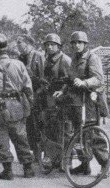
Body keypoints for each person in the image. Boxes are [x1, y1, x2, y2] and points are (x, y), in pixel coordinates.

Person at [0, 33, 35, 180]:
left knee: (0, 137)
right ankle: (28, 168)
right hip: (16, 104)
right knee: (20, 136)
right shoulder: (19, 64)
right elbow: (28, 87)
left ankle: (8, 170)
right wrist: (30, 103)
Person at [67, 31, 109, 176]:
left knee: (93, 134)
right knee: (79, 134)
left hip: (90, 101)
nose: (76, 45)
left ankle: (105, 166)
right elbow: (71, 78)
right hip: (77, 101)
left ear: (85, 44)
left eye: (79, 42)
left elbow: (98, 79)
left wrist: (84, 82)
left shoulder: (92, 57)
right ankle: (85, 165)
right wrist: (63, 89)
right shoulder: (74, 59)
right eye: (74, 43)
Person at [40, 33, 71, 170]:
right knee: (50, 128)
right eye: (47, 45)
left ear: (58, 46)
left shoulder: (65, 60)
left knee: (64, 130)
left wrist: (62, 91)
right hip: (49, 98)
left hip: (62, 99)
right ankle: (53, 159)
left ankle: (65, 161)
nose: (49, 47)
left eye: (52, 45)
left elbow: (69, 80)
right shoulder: (47, 59)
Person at [16, 34, 45, 159]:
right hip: (25, 97)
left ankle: (41, 154)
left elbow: (44, 78)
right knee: (29, 126)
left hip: (38, 96)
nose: (18, 46)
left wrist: (37, 93)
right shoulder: (20, 58)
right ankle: (33, 153)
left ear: (28, 44)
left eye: (20, 43)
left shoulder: (38, 56)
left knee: (38, 125)